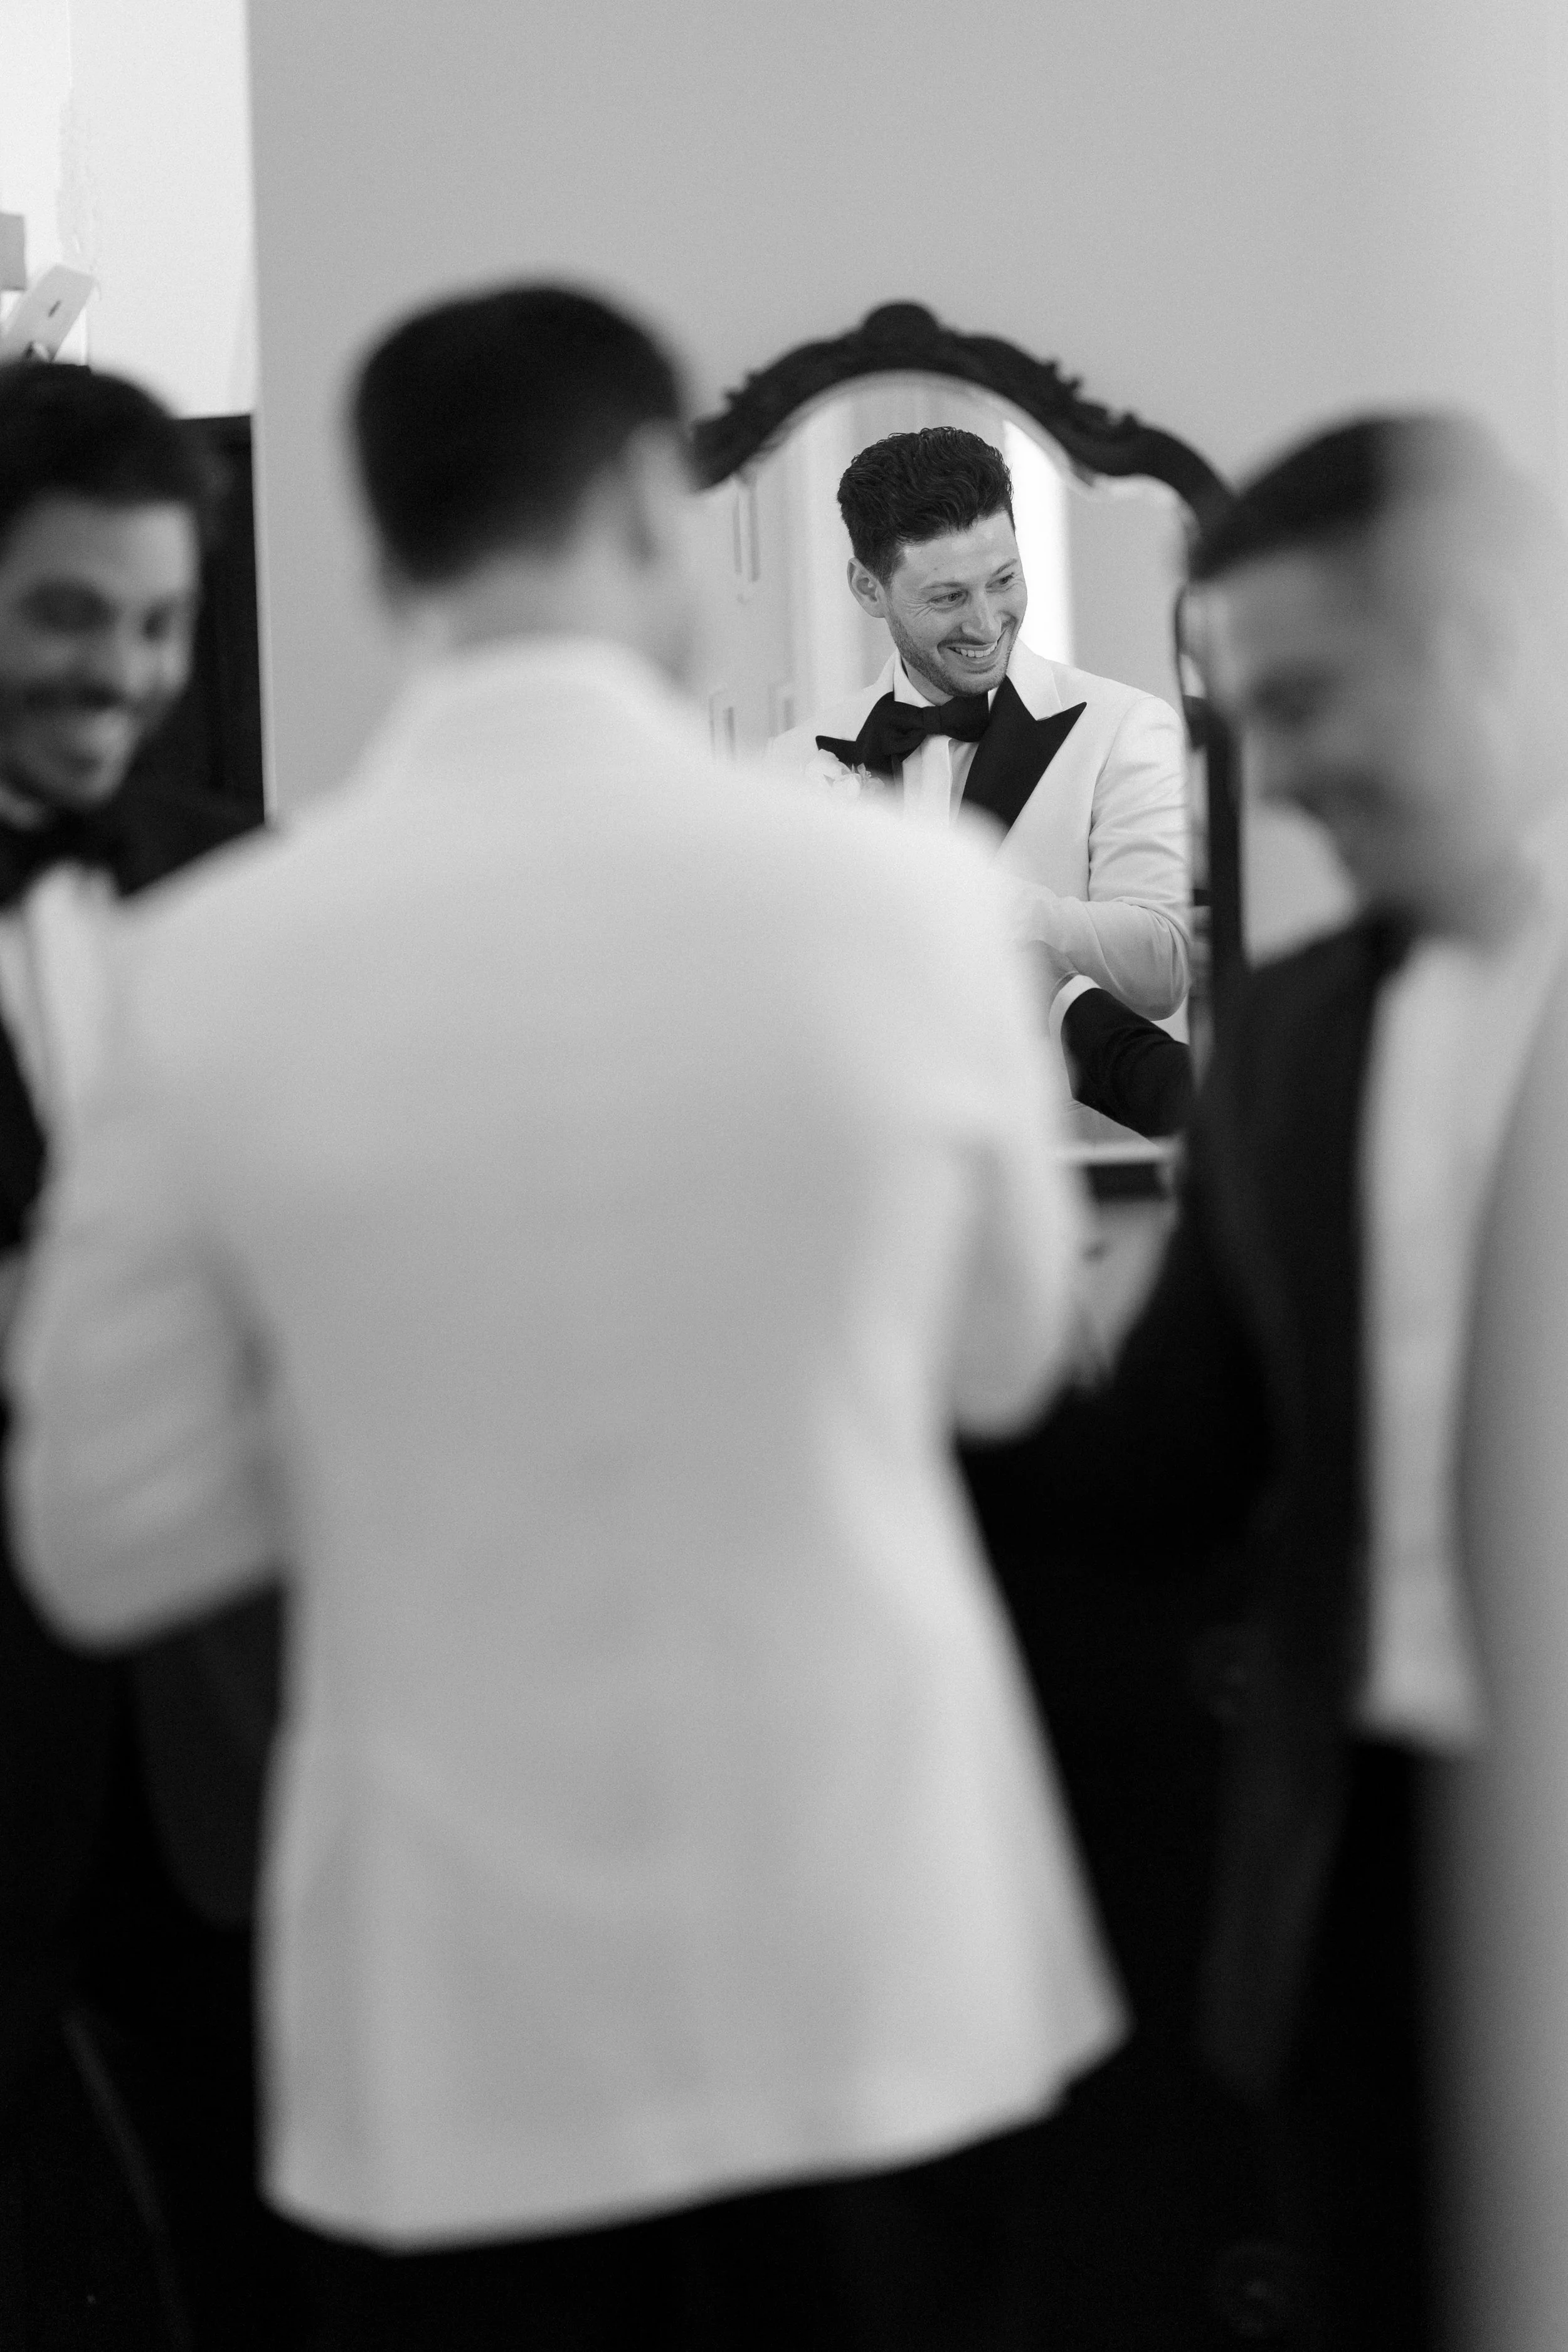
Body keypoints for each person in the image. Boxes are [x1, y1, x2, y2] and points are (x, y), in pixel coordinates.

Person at [6, 285, 1123, 2352]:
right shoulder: (914, 908)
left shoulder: (212, 965)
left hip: (456, 2000)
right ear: (638, 496)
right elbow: (998, 1371)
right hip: (874, 1947)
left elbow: (106, 1534)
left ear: (383, 550)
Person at [963, 410, 1568, 2349]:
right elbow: (1155, 1468)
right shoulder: (1291, 1041)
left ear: (1488, 639)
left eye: (1307, 699)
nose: (1277, 777)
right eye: (1242, 715)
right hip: (1361, 1888)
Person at [0, 358, 287, 2349]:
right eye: (67, 613)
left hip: (210, 1723)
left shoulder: (235, 881)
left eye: (161, 622)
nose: (123, 672)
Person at [767, 425, 1193, 1128]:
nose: (988, 621)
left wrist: (955, 896)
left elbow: (1160, 968)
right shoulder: (794, 763)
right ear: (867, 588)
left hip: (1074, 1159)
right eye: (946, 598)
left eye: (1004, 580)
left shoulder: (1125, 728)